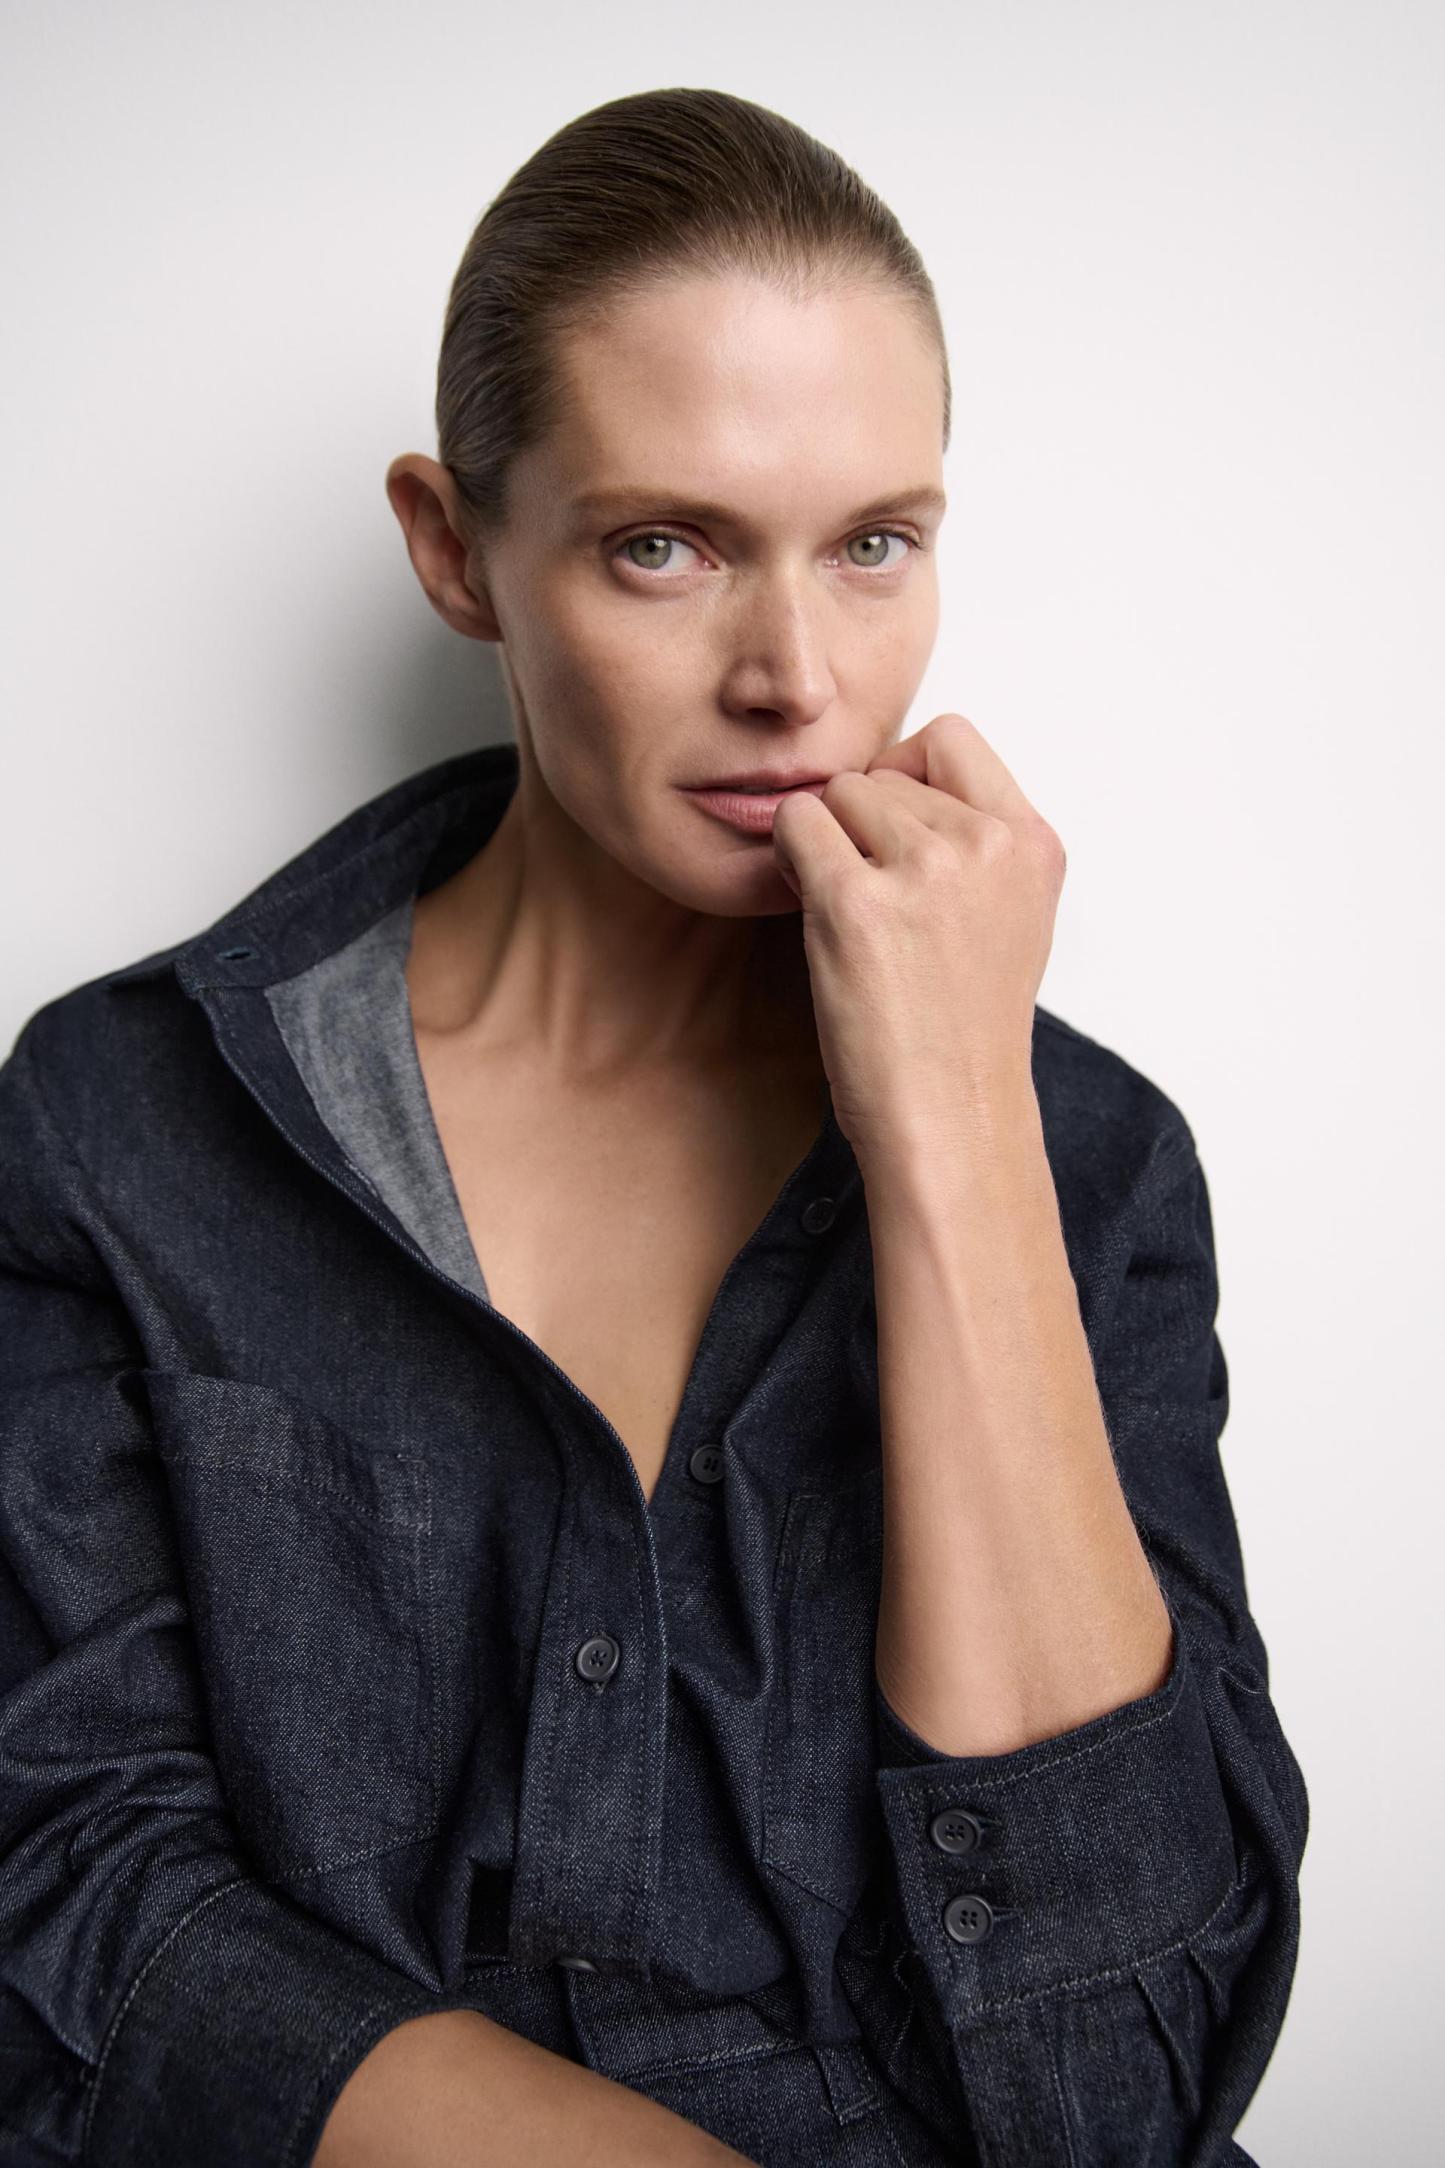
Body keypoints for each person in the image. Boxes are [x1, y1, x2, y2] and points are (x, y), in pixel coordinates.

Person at [0, 87, 1308, 2168]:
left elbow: (1126, 2084)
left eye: (872, 544)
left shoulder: (1088, 1158)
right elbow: (72, 1891)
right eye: (663, 547)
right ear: (456, 549)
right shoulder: (129, 1122)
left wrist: (956, 1132)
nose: (794, 675)